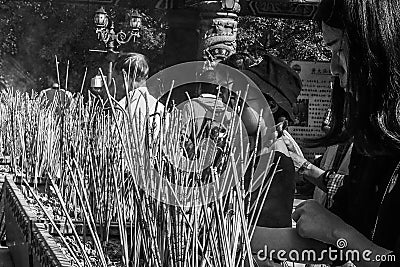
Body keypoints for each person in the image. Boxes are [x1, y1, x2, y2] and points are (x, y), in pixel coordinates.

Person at [252, 0, 400, 266]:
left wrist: (338, 233)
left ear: (380, 45)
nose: (333, 68)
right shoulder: (375, 147)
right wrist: (226, 234)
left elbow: (352, 243)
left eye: (336, 50)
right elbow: (337, 245)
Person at [114, 53, 165, 140]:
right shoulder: (160, 108)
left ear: (124, 75)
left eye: (115, 78)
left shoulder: (123, 106)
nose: (114, 83)